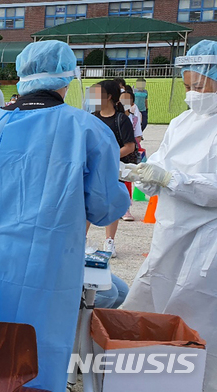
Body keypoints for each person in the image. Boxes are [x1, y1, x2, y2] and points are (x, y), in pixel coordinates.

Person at [0, 40, 130, 392]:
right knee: (35, 361)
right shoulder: (85, 129)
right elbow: (104, 209)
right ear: (66, 79)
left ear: (24, 77)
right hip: (43, 268)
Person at [123, 39, 217, 392]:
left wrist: (172, 179)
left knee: (199, 318)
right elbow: (160, 164)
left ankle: (200, 384)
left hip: (208, 238)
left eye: (201, 86)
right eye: (189, 86)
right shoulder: (181, 121)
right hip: (169, 231)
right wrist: (140, 174)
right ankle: (148, 380)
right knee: (151, 304)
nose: (194, 93)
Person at [87, 80, 136, 257]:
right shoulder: (92, 117)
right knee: (88, 202)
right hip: (93, 169)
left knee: (111, 204)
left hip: (113, 169)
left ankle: (109, 241)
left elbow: (130, 146)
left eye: (97, 94)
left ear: (108, 97)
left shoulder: (121, 119)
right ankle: (81, 239)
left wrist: (107, 158)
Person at [119, 87, 143, 222]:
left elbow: (138, 136)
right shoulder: (115, 117)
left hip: (128, 154)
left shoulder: (133, 119)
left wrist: (129, 144)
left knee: (127, 180)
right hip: (117, 151)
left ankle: (126, 208)